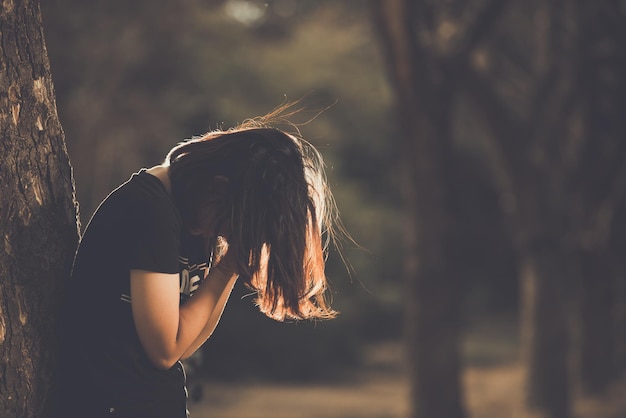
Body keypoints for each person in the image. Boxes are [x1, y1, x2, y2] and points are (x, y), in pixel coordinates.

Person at [52, 106, 340, 417]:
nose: (227, 235)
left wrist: (231, 269)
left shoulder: (194, 215)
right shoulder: (149, 212)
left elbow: (186, 345)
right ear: (219, 188)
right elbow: (165, 351)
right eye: (233, 226)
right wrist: (227, 268)